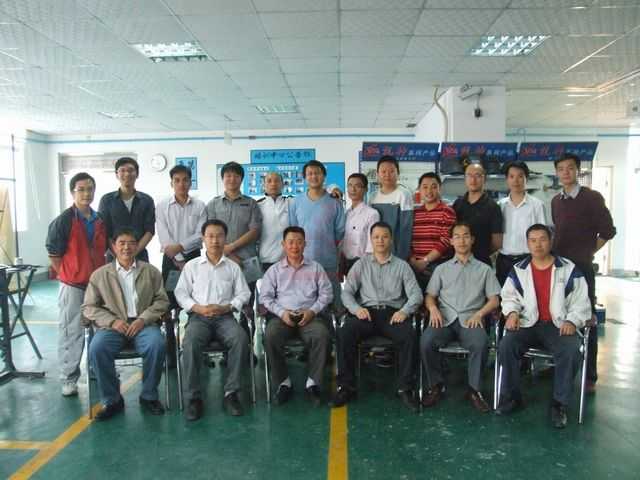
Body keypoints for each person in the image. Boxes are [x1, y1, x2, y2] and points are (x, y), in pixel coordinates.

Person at [496, 224, 592, 428]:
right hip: (527, 323)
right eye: (533, 240)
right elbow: (509, 297)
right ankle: (512, 397)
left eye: (542, 239)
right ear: (527, 243)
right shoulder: (519, 269)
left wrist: (572, 320)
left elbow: (581, 302)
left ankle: (559, 404)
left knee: (570, 350)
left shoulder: (569, 269)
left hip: (558, 325)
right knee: (506, 345)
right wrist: (512, 313)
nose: (538, 244)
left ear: (551, 241)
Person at [331, 221, 423, 412]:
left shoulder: (402, 266)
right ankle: (346, 387)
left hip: (393, 314)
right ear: (371, 240)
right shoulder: (361, 264)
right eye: (376, 237)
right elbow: (347, 293)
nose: (380, 240)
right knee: (345, 332)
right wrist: (356, 309)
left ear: (391, 240)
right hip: (366, 314)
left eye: (385, 236)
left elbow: (416, 295)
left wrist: (404, 311)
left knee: (409, 335)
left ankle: (405, 388)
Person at [83, 227, 169, 420]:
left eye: (131, 243)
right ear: (113, 247)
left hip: (143, 325)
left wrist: (143, 319)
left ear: (137, 246)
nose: (126, 248)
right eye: (121, 243)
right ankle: (112, 399)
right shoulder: (100, 275)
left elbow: (162, 301)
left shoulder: (151, 271)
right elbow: (88, 306)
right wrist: (112, 321)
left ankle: (149, 396)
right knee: (97, 348)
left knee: (157, 344)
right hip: (112, 327)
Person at [551, 153, 616, 393]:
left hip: (582, 268)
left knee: (587, 318)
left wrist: (588, 251)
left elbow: (608, 231)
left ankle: (589, 375)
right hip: (559, 268)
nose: (565, 172)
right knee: (558, 313)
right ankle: (559, 363)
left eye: (570, 168)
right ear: (557, 173)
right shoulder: (556, 201)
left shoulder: (592, 198)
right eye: (561, 169)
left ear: (578, 171)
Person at [174, 219, 251, 420]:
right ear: (203, 239)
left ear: (225, 238)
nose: (215, 240)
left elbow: (244, 293)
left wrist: (227, 307)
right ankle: (193, 398)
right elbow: (181, 293)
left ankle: (231, 393)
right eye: (210, 236)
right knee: (190, 342)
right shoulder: (192, 266)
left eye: (219, 236)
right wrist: (197, 307)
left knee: (240, 339)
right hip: (199, 317)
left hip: (225, 317)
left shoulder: (232, 267)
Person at [421, 221, 500, 413]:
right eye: (457, 237)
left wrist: (480, 314)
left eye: (465, 236)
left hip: (471, 320)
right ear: (451, 241)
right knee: (426, 341)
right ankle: (436, 386)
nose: (461, 240)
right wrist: (432, 308)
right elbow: (430, 295)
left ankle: (474, 390)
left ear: (472, 240)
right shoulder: (441, 269)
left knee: (480, 343)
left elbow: (494, 300)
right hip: (444, 319)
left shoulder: (484, 269)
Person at [46, 172, 108, 397]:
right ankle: (69, 378)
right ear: (72, 192)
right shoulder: (64, 220)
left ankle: (97, 369)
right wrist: (69, 274)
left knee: (100, 329)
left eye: (90, 189)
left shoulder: (99, 220)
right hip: (72, 286)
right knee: (71, 331)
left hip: (97, 286)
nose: (86, 193)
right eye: (81, 189)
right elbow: (54, 253)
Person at [261, 226, 333, 406]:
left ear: (305, 244)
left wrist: (312, 311)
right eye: (290, 242)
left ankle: (313, 383)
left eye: (299, 242)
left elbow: (327, 294)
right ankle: (283, 382)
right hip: (282, 317)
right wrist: (282, 313)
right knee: (270, 335)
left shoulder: (316, 268)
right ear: (283, 245)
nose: (295, 246)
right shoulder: (274, 270)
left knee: (322, 335)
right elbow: (265, 297)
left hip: (309, 317)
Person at [155, 165, 207, 368]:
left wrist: (181, 250)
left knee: (196, 304)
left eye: (185, 180)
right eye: (177, 180)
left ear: (190, 182)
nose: (181, 184)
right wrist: (177, 258)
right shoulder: (162, 206)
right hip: (170, 262)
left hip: (194, 260)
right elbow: (163, 235)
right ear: (171, 183)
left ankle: (198, 350)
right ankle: (170, 352)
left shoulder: (200, 206)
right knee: (169, 307)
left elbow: (200, 235)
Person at [289, 160, 346, 312]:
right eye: (310, 173)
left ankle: (335, 324)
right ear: (305, 178)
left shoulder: (334, 202)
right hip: (302, 261)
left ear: (324, 176)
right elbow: (293, 231)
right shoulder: (296, 202)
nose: (314, 176)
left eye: (317, 173)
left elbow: (340, 230)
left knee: (332, 301)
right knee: (306, 301)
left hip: (328, 260)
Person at [206, 161, 262, 316]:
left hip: (247, 260)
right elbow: (210, 232)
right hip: (220, 259)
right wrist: (228, 253)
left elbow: (255, 231)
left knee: (247, 301)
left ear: (241, 179)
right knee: (222, 298)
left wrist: (231, 248)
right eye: (228, 175)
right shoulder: (213, 204)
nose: (232, 179)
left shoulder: (251, 203)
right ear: (222, 179)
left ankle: (247, 329)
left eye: (236, 176)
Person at [496, 161, 547, 286]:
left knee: (529, 295)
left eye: (520, 176)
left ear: (526, 179)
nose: (516, 181)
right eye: (511, 176)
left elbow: (543, 236)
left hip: (528, 260)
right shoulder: (500, 205)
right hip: (504, 261)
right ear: (507, 179)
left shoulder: (537, 205)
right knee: (504, 295)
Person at [98, 157, 155, 262]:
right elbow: (104, 231)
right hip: (114, 257)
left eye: (130, 170)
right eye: (122, 170)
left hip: (140, 256)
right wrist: (119, 254)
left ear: (137, 174)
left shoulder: (147, 200)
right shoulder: (106, 200)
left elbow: (150, 230)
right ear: (117, 174)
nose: (127, 174)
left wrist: (134, 252)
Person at [409, 172, 456, 291]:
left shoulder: (447, 211)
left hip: (437, 265)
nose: (429, 191)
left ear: (440, 189)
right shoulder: (415, 213)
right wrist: (413, 260)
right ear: (419, 189)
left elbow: (446, 241)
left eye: (434, 187)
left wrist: (425, 261)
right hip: (414, 265)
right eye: (425, 187)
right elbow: (409, 239)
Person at [452, 162, 503, 266]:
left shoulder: (493, 207)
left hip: (481, 262)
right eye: (469, 175)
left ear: (484, 179)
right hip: (459, 261)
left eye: (477, 175)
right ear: (465, 178)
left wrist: (481, 253)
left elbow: (497, 242)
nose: (473, 180)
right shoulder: (457, 204)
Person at [368, 155, 413, 260]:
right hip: (377, 252)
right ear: (378, 174)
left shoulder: (403, 194)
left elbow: (406, 229)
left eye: (392, 171)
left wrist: (401, 256)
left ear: (398, 173)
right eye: (383, 172)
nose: (387, 175)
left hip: (396, 254)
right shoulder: (372, 197)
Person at [340, 173, 380, 276]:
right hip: (346, 263)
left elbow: (372, 245)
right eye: (350, 185)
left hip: (363, 263)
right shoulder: (346, 214)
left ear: (365, 189)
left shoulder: (372, 213)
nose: (353, 189)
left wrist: (366, 265)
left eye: (357, 186)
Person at [256, 172, 293, 272]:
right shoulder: (258, 206)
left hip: (289, 258)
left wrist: (331, 188)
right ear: (264, 185)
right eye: (269, 181)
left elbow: (311, 195)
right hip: (266, 259)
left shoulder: (290, 202)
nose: (273, 184)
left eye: (277, 181)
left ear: (283, 184)